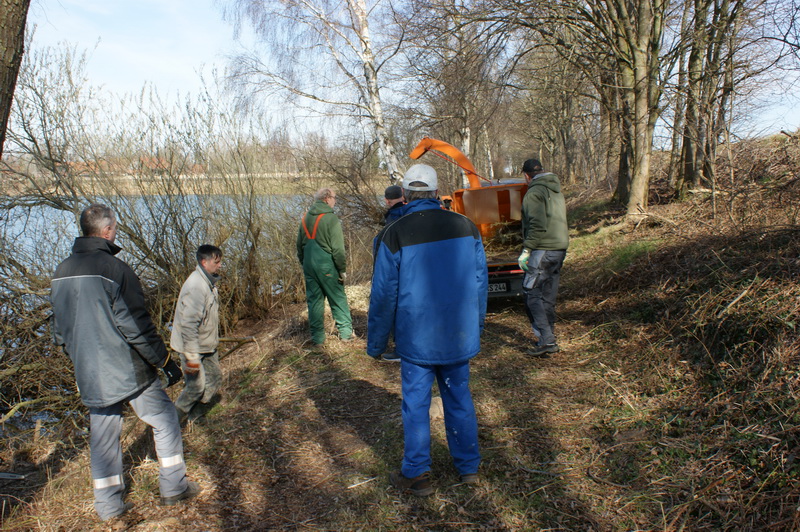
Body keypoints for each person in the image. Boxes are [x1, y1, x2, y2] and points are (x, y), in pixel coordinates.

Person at [50, 204, 200, 522]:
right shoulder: (116, 269)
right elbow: (136, 326)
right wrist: (165, 361)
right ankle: (174, 487)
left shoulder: (61, 271)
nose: (115, 232)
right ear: (107, 231)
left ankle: (109, 508)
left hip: (89, 371)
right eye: (115, 227)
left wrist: (79, 359)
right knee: (165, 419)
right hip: (127, 370)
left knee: (103, 437)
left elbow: (60, 331)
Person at [367, 164, 488, 496]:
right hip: (457, 333)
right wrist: (476, 324)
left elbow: (383, 294)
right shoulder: (466, 226)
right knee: (459, 398)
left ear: (405, 195)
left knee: (416, 405)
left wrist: (376, 343)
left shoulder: (395, 232)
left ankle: (418, 473)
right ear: (436, 193)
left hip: (416, 337)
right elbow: (480, 281)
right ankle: (468, 468)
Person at [517, 159, 569, 357]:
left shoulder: (534, 193)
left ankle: (546, 340)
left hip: (543, 250)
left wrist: (527, 250)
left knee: (531, 292)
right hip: (559, 249)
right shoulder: (555, 190)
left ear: (526, 175)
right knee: (547, 295)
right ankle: (549, 336)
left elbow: (537, 225)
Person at [171, 245, 223, 424]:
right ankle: (171, 424)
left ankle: (195, 417)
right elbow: (188, 324)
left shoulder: (209, 283)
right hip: (191, 348)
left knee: (214, 379)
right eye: (216, 262)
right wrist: (192, 356)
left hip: (207, 345)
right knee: (195, 387)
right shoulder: (196, 286)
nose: (220, 265)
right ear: (204, 262)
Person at [297, 188, 353, 345]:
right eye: (334, 197)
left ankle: (318, 338)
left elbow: (299, 247)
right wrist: (342, 269)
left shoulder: (305, 218)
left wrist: (305, 263)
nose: (335, 200)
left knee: (314, 301)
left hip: (309, 264)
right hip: (326, 264)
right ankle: (346, 334)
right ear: (327, 198)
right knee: (337, 298)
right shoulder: (331, 219)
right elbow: (338, 250)